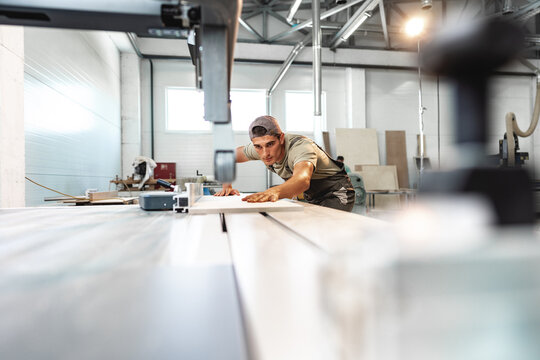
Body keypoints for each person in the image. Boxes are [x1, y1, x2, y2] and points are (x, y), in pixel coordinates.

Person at [214, 115, 355, 212]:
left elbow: (302, 180)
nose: (265, 153)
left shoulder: (301, 147)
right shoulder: (258, 148)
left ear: (281, 138)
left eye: (270, 144)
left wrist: (275, 191)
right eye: (258, 147)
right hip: (312, 196)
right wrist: (227, 186)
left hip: (337, 194)